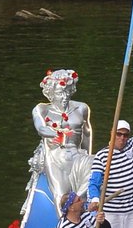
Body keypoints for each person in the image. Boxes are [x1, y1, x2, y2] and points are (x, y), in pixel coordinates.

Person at [30, 67, 93, 203]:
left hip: (77, 155)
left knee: (97, 166)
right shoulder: (42, 109)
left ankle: (81, 213)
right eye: (59, 93)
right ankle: (64, 222)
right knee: (61, 197)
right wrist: (57, 133)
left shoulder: (82, 108)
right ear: (51, 93)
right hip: (55, 157)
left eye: (67, 92)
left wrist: (87, 155)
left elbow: (87, 134)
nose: (64, 97)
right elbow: (41, 128)